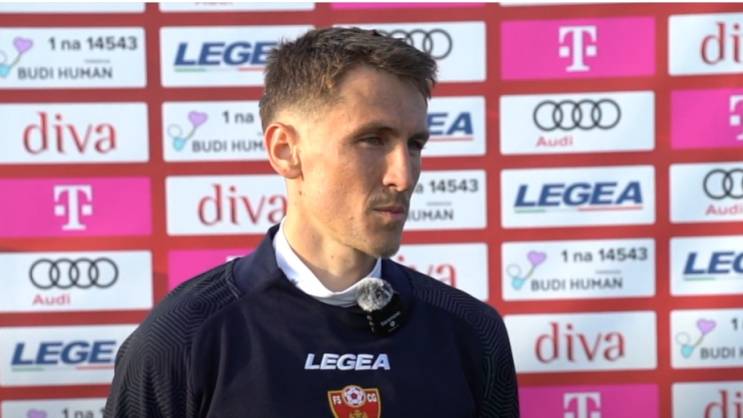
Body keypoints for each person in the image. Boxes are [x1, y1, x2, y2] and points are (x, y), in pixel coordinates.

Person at [105, 27, 519, 418]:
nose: (404, 176)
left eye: (414, 145)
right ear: (285, 150)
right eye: (372, 139)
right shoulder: (181, 338)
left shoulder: (471, 331)